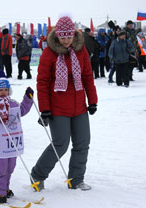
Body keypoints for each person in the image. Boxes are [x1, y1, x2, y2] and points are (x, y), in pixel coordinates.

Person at [30, 16, 98, 191]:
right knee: (60, 144)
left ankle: (76, 180)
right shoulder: (49, 54)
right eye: (63, 37)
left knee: (82, 143)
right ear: (57, 35)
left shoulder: (81, 51)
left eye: (69, 37)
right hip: (58, 107)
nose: (66, 40)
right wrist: (44, 109)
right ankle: (38, 174)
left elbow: (88, 77)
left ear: (74, 35)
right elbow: (43, 82)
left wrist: (92, 101)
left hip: (79, 106)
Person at [0, 69, 34, 203]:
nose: (3, 92)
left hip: (11, 144)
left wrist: (28, 98)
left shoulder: (12, 103)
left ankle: (5, 188)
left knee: (10, 167)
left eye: (6, 89)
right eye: (0, 90)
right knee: (1, 168)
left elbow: (21, 110)